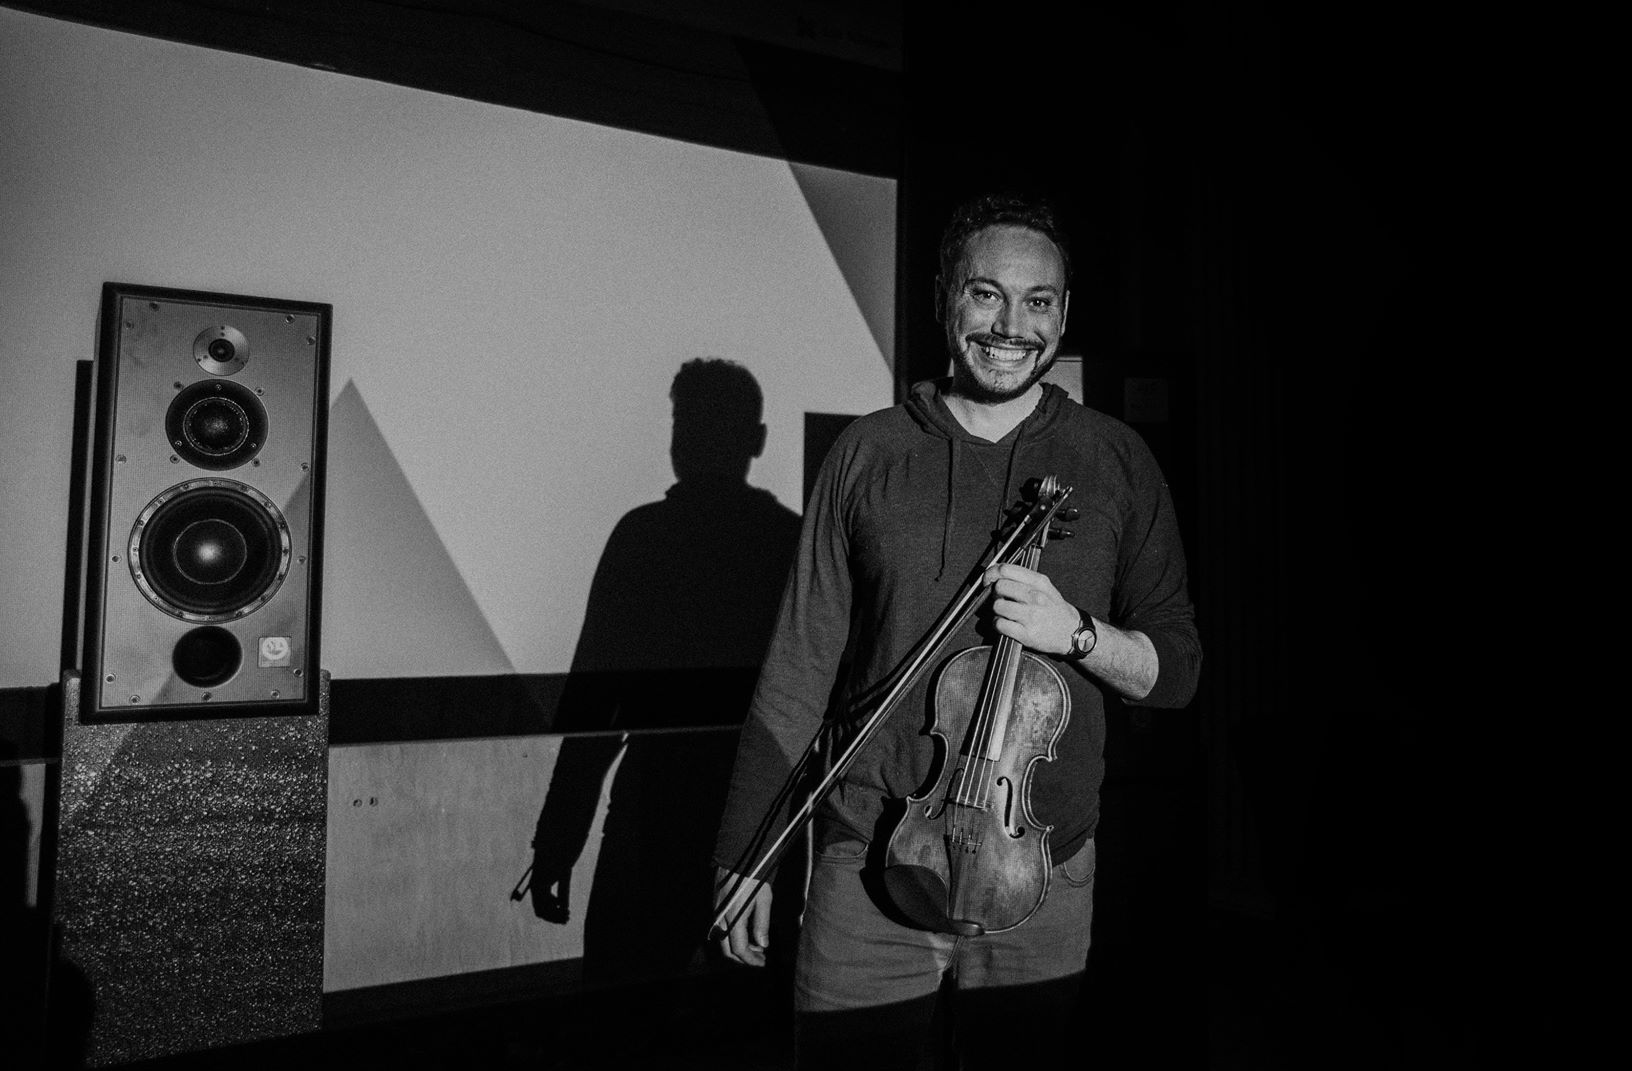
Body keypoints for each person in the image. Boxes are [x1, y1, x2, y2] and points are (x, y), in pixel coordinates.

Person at [712, 193, 1202, 1067]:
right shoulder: (867, 454)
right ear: (945, 297)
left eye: (1038, 301)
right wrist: (748, 848)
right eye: (986, 294)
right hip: (868, 861)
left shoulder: (1116, 458)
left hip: (1040, 870)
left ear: (1063, 312)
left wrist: (1078, 632)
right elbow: (800, 663)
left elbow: (1179, 669)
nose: (1012, 325)